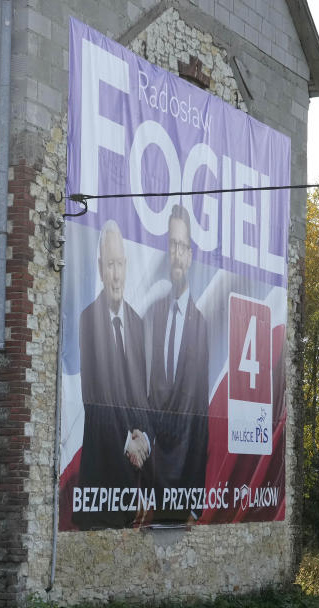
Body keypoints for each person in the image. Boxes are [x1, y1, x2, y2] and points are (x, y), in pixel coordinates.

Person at [75, 220, 149, 528]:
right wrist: (125, 443)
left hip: (134, 476)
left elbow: (141, 397)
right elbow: (94, 401)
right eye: (109, 266)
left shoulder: (137, 323)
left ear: (127, 265)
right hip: (101, 482)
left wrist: (142, 436)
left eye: (119, 264)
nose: (115, 275)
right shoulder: (88, 320)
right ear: (99, 268)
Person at [144, 204, 209, 521]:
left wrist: (195, 501)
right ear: (167, 251)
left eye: (183, 246)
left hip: (183, 479)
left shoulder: (200, 325)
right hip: (151, 477)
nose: (178, 253)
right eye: (173, 245)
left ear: (191, 255)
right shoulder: (154, 315)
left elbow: (201, 415)